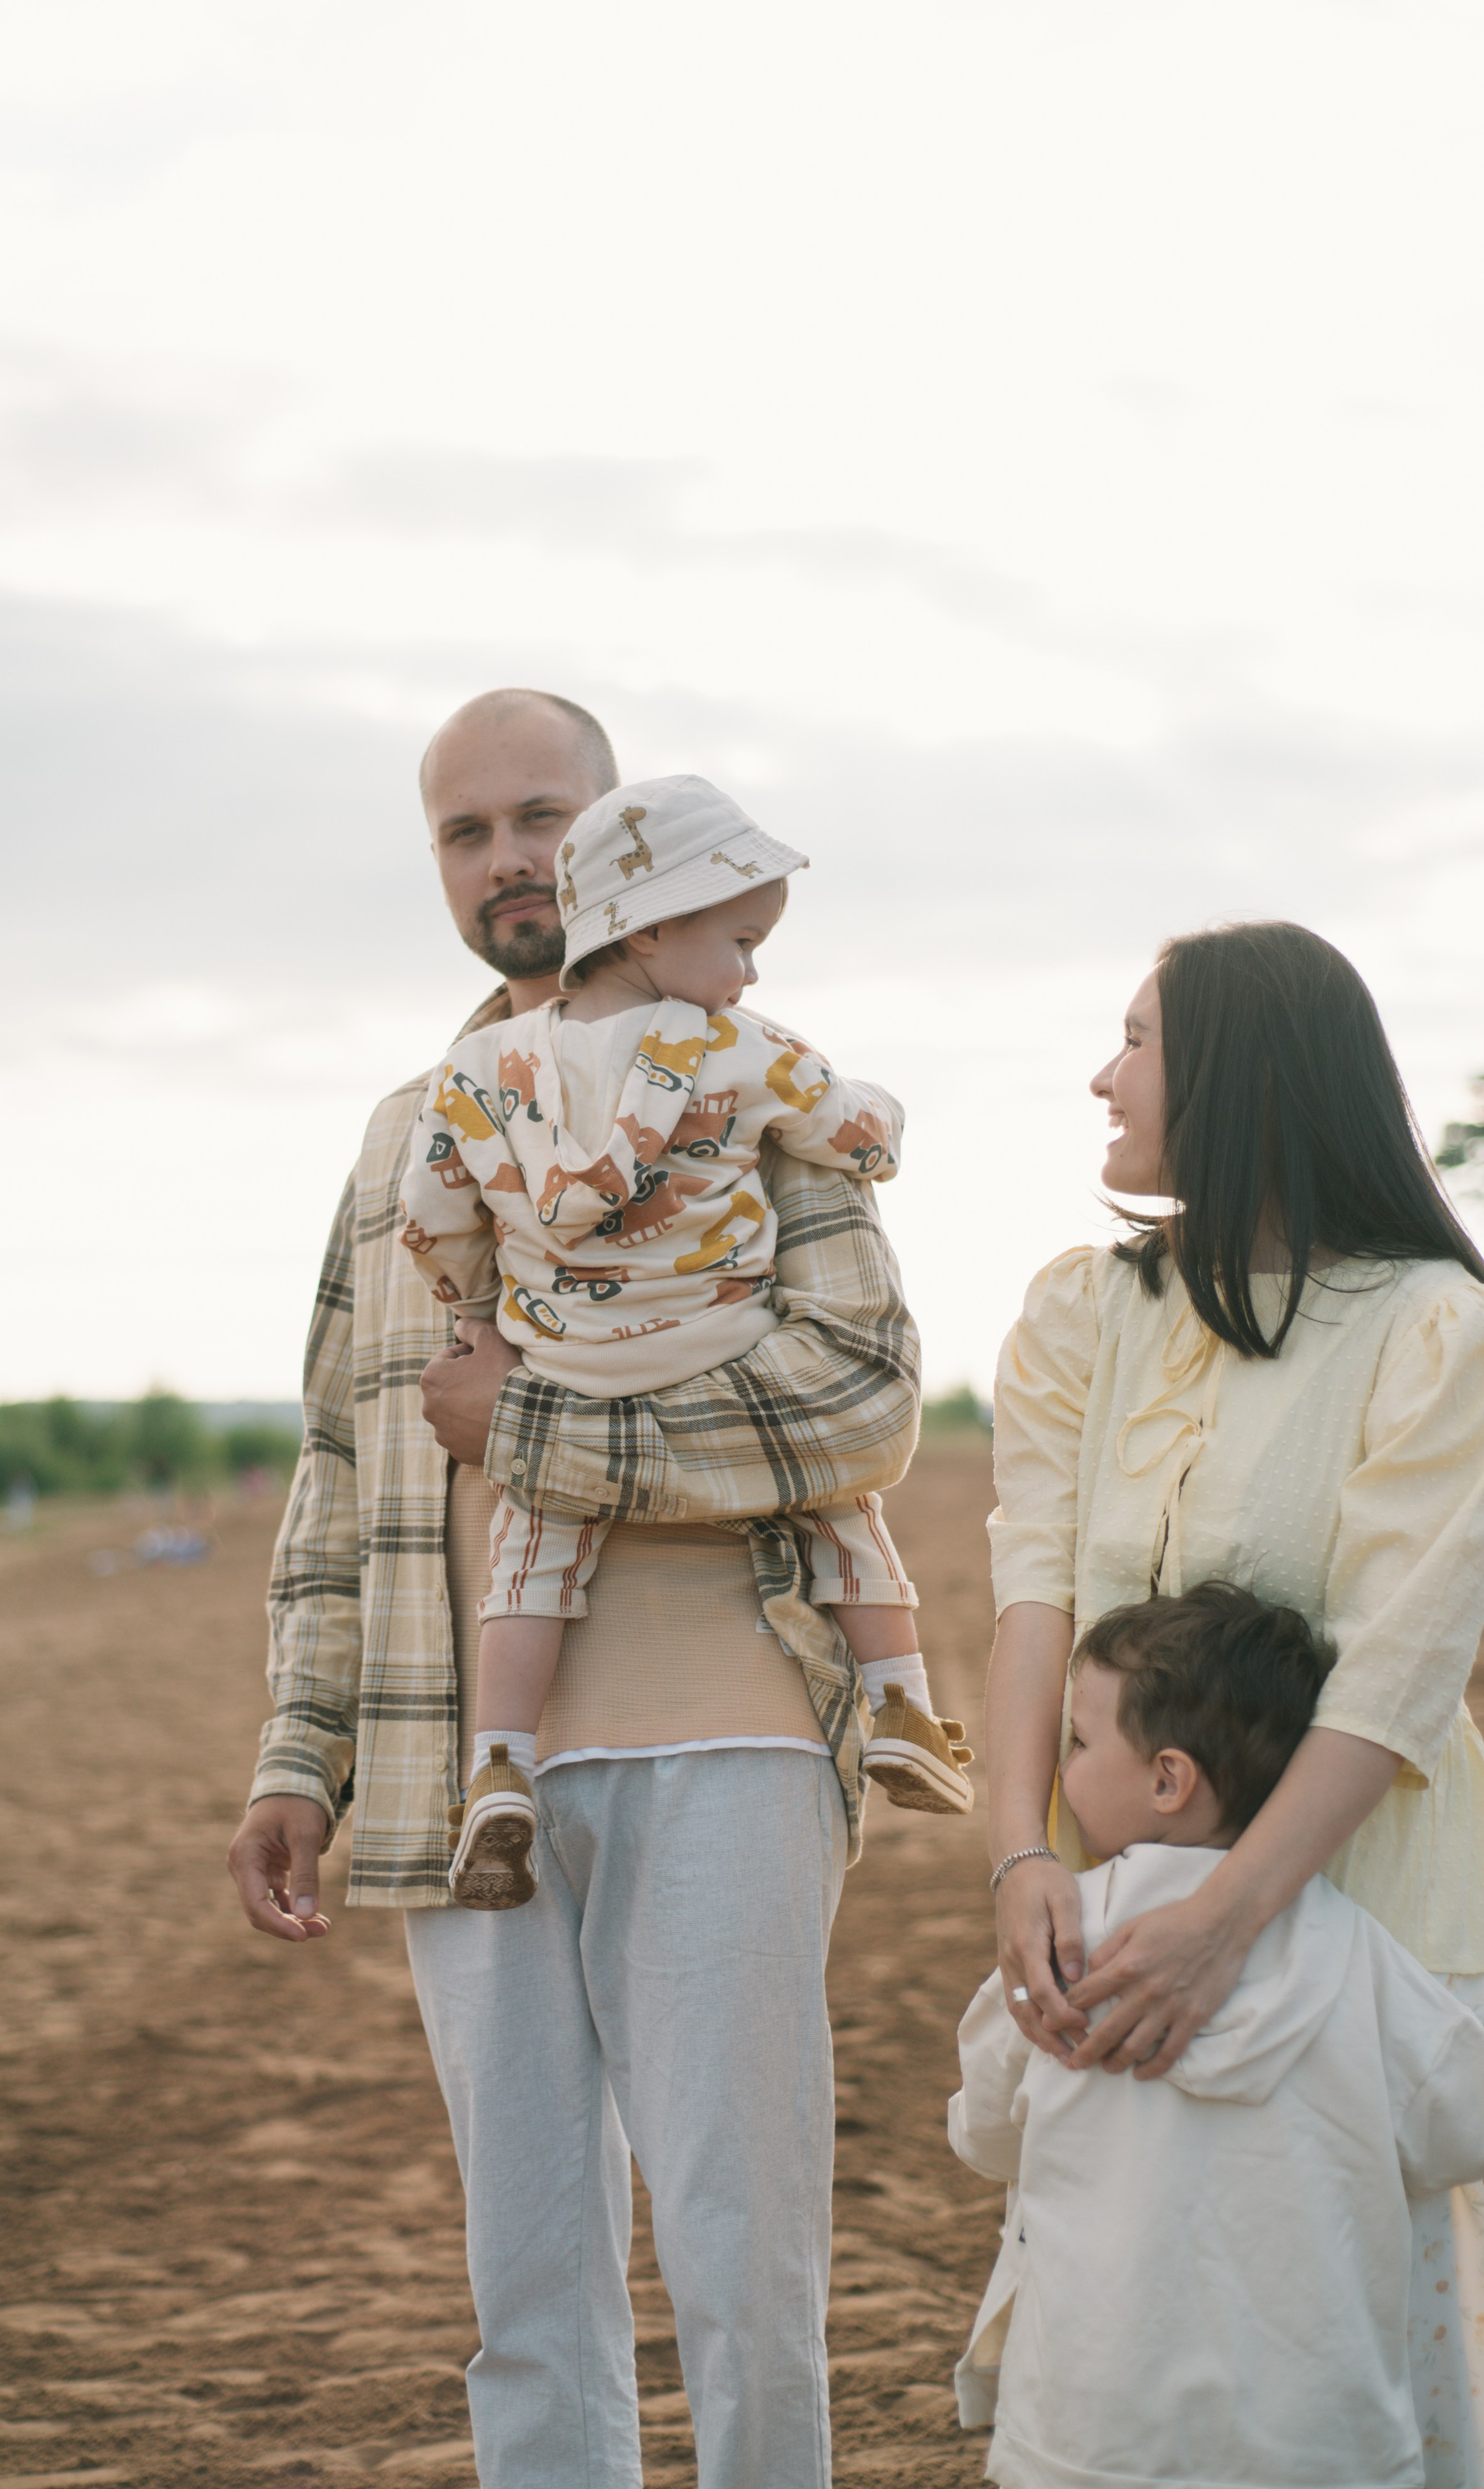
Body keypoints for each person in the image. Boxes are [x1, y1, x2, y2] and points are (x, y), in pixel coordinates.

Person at [226, 688, 925, 2489]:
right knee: (524, 2283)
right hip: (466, 1778)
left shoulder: (757, 1069)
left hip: (736, 1737)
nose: (507, 859)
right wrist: (297, 1754)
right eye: (465, 832)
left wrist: (535, 1427)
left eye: (540, 814)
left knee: (739, 2256)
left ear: (625, 831)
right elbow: (340, 1469)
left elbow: (865, 1400)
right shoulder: (408, 1136)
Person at [982, 920, 1484, 2486]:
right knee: (1121, 2302)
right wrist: (1015, 1852)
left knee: (1344, 2337)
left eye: (1133, 1040)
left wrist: (1235, 1917)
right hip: (1111, 1902)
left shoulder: (1434, 1326)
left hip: (1366, 1912)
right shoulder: (1082, 1313)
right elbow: (1030, 1595)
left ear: (1237, 1072)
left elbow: (1399, 1663)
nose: (1100, 1077)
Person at [399, 770, 972, 1906]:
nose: (753, 969)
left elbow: (432, 1212)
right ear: (653, 927)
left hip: (561, 1368)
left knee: (528, 1564)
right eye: (744, 940)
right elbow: (858, 1137)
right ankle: (901, 1699)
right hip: (718, 1350)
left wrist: (476, 1312)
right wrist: (888, 1106)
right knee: (840, 1509)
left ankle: (500, 1768)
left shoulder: (475, 1073)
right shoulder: (737, 1046)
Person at [951, 1582, 1484, 2489]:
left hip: (1091, 2434)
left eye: (1080, 1743)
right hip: (1316, 2439)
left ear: (1168, 1778)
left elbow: (986, 2134)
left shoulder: (1057, 1952)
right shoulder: (1362, 1958)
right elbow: (1459, 2128)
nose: (1062, 1767)